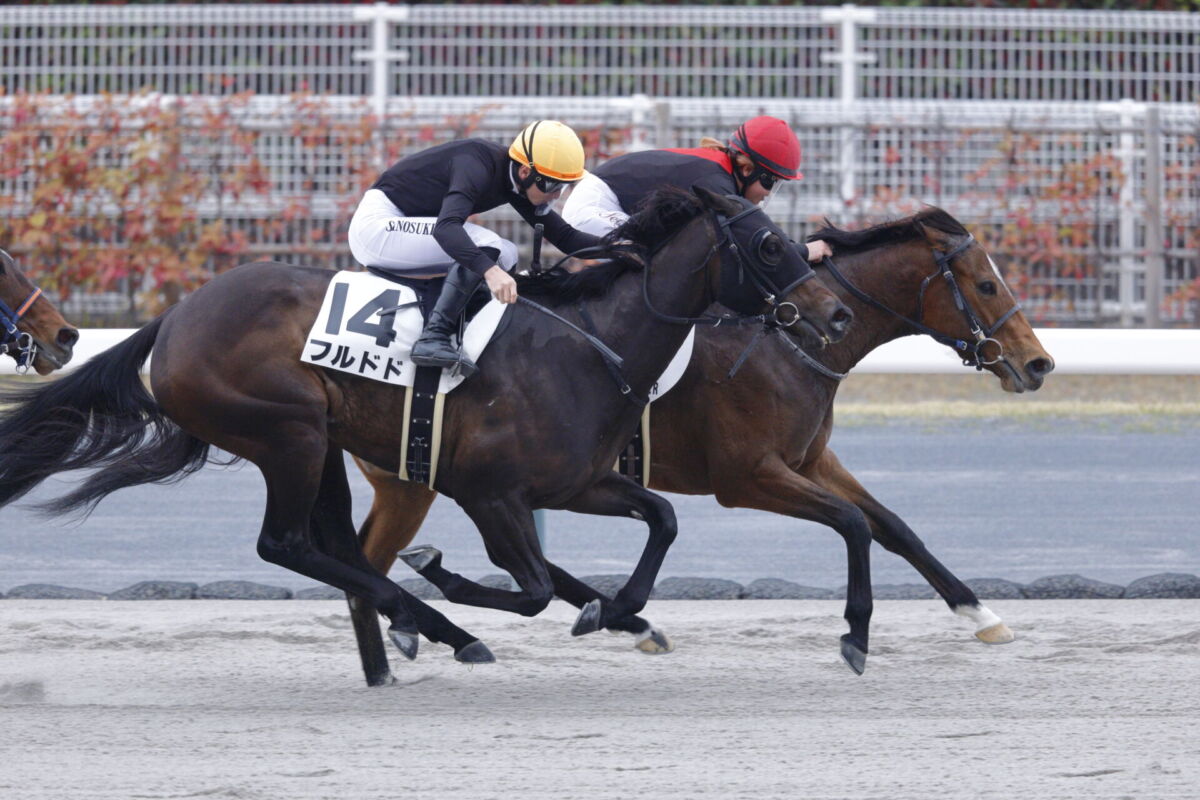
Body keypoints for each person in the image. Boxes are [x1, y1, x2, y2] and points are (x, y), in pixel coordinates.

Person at [347, 120, 602, 375]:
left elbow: (565, 237)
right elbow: (446, 228)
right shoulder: (476, 164)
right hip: (377, 227)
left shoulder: (517, 180)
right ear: (525, 172)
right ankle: (433, 337)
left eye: (563, 187)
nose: (556, 195)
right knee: (488, 245)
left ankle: (463, 330)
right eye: (553, 185)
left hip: (400, 226)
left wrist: (619, 245)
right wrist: (490, 271)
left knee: (507, 253)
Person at [562, 115, 832, 261]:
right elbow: (751, 237)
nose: (768, 193)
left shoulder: (719, 173)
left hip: (605, 202)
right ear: (747, 169)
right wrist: (803, 251)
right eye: (770, 181)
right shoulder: (716, 182)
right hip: (594, 207)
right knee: (657, 264)